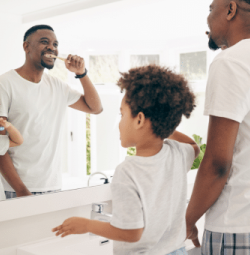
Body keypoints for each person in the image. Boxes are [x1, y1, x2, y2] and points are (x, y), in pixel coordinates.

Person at [52, 64, 200, 254]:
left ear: (139, 120)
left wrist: (87, 225)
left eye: (122, 114)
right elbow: (194, 147)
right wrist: (161, 123)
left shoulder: (128, 171)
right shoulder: (177, 154)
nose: (120, 122)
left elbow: (130, 233)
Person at [0, 25, 103, 198]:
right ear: (26, 47)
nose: (52, 47)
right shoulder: (4, 84)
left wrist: (81, 73)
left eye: (55, 44)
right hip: (14, 189)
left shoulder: (58, 86)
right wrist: (21, 190)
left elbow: (95, 108)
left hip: (52, 186)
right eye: (44, 42)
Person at [186, 0, 250, 253]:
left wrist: (188, 219)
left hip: (237, 223)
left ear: (230, 10)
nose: (208, 20)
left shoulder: (232, 61)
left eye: (211, 9)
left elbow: (217, 163)